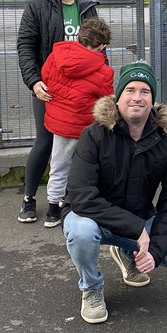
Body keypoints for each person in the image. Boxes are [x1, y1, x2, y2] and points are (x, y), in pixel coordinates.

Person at [62, 62, 167, 324]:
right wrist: (136, 228)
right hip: (92, 218)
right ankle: (91, 287)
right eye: (130, 90)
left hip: (138, 221)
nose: (137, 97)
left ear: (153, 99)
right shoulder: (94, 135)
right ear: (118, 97)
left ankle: (128, 255)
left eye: (145, 91)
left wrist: (155, 252)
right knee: (81, 232)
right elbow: (81, 197)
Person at [16, 0, 99, 224]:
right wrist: (34, 81)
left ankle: (66, 198)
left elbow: (99, 47)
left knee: (78, 143)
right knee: (45, 140)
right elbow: (25, 46)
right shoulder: (37, 7)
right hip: (48, 87)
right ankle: (29, 198)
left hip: (80, 90)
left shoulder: (87, 7)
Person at [38, 18, 115, 228]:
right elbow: (107, 98)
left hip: (60, 122)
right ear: (103, 46)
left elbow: (45, 76)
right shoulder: (103, 71)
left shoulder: (57, 55)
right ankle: (84, 204)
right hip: (86, 127)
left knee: (59, 165)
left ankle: (53, 209)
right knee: (89, 166)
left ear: (80, 37)